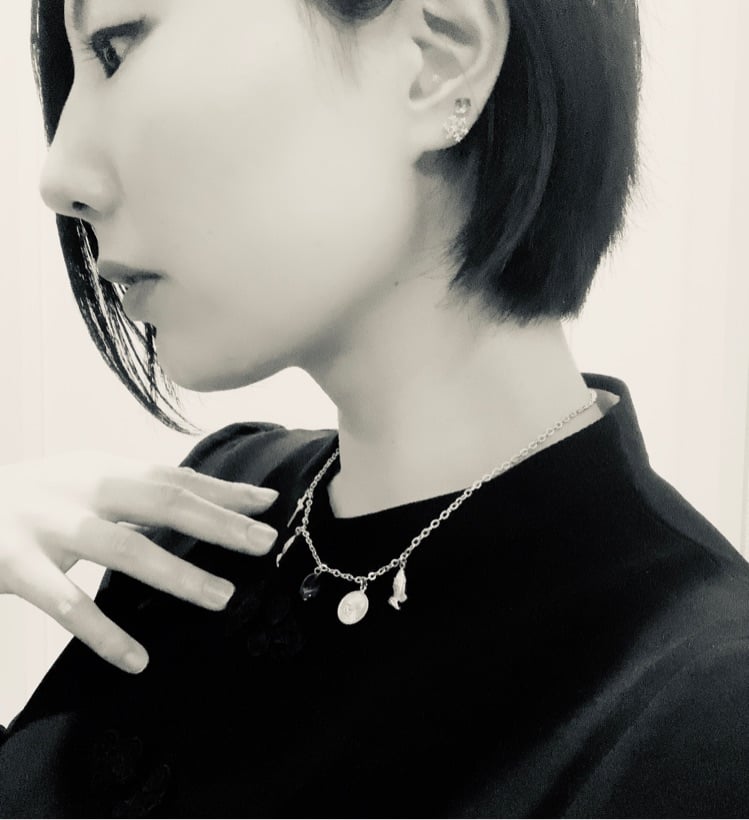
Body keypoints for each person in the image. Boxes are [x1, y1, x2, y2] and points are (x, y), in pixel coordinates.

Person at [1, 0, 748, 816]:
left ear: (435, 58)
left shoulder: (700, 714)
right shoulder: (214, 505)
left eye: (116, 48)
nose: (59, 177)